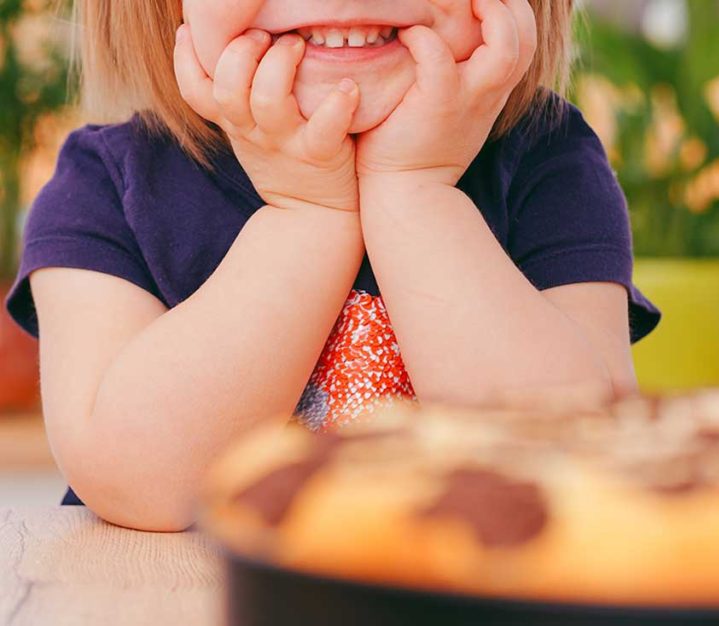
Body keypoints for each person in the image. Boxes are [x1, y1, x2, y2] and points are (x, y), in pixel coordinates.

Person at [4, 0, 659, 532]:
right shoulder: (104, 183)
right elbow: (138, 483)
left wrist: (415, 190)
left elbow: (577, 466)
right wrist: (306, 217)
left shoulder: (551, 163)